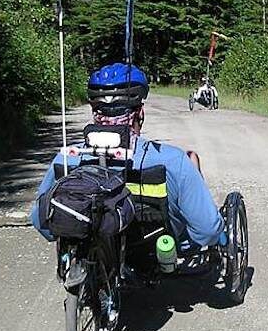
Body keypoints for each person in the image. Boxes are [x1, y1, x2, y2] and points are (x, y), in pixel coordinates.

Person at [30, 63, 225, 249]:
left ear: (95, 112)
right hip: (156, 253)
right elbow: (207, 230)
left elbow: (41, 221)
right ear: (140, 112)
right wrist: (183, 246)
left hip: (95, 261)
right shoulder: (173, 160)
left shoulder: (67, 159)